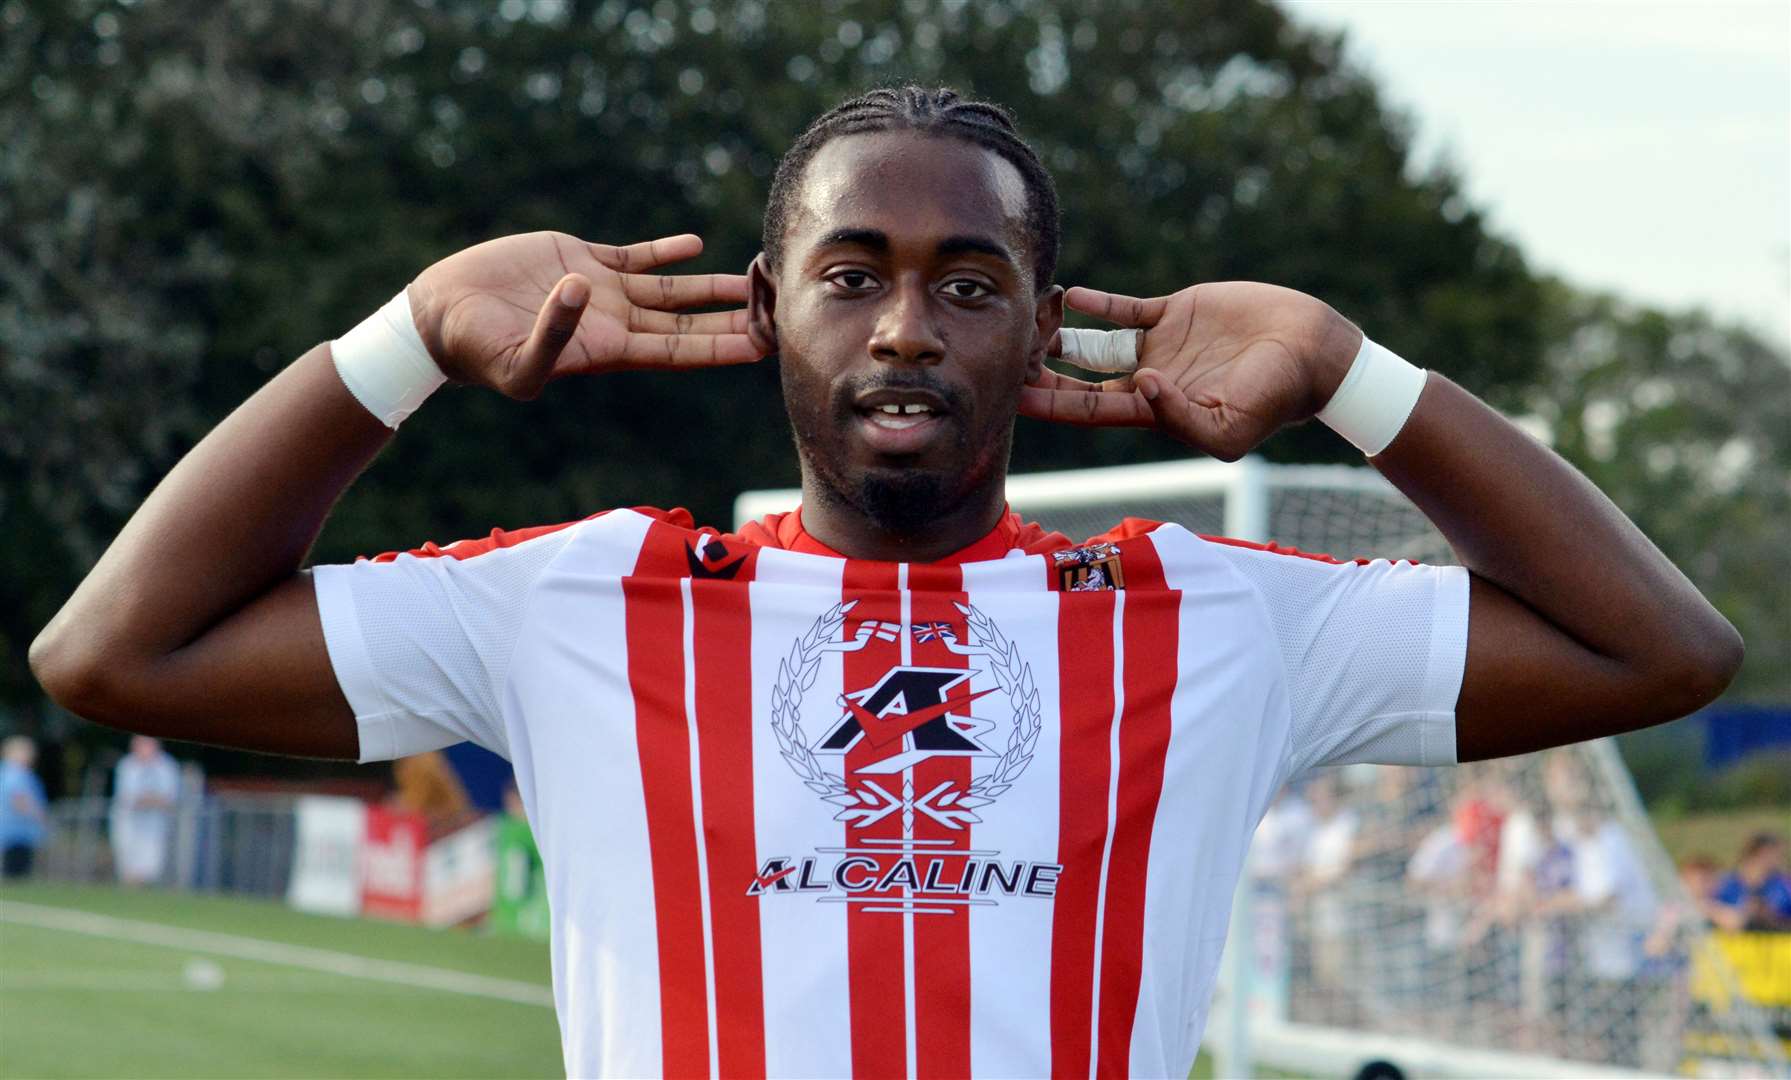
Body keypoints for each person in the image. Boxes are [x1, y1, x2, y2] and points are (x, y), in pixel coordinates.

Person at [28, 85, 1743, 1078]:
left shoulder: (1216, 613)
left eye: (971, 282)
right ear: (770, 303)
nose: (907, 326)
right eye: (850, 276)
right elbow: (116, 651)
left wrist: (1357, 375)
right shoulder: (580, 599)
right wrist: (403, 341)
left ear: (1045, 324)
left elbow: (1659, 649)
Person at [109, 734, 181, 886]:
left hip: (154, 827)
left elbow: (170, 799)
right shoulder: (127, 765)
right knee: (128, 865)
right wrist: (151, 799)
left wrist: (149, 800)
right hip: (130, 824)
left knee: (150, 868)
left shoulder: (167, 766)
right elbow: (128, 798)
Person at [1712, 832, 1791, 932]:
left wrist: (1770, 917)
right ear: (1759, 853)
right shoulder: (1727, 883)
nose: (1781, 860)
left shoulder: (1782, 884)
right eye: (1777, 854)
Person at [0, 736, 48, 880]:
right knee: (17, 869)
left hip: (16, 830)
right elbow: (20, 800)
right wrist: (39, 816)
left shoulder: (10, 772)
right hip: (16, 830)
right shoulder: (15, 774)